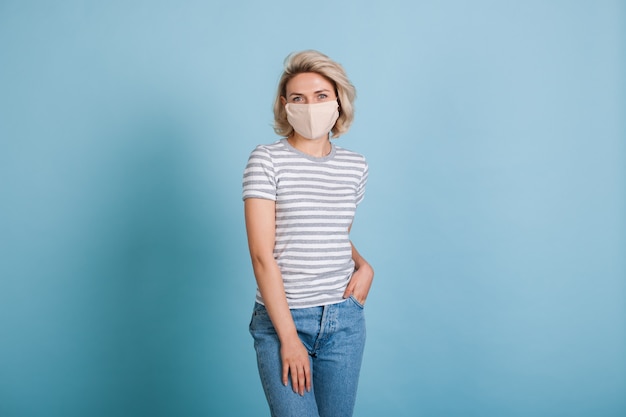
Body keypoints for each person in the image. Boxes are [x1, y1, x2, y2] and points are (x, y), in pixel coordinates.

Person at [242, 50, 373, 417]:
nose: (309, 106)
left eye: (320, 96)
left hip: (343, 320)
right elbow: (261, 255)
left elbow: (330, 233)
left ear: (338, 102)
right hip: (285, 319)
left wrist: (364, 267)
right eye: (298, 98)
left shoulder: (355, 166)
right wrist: (288, 338)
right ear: (284, 106)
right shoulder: (266, 160)